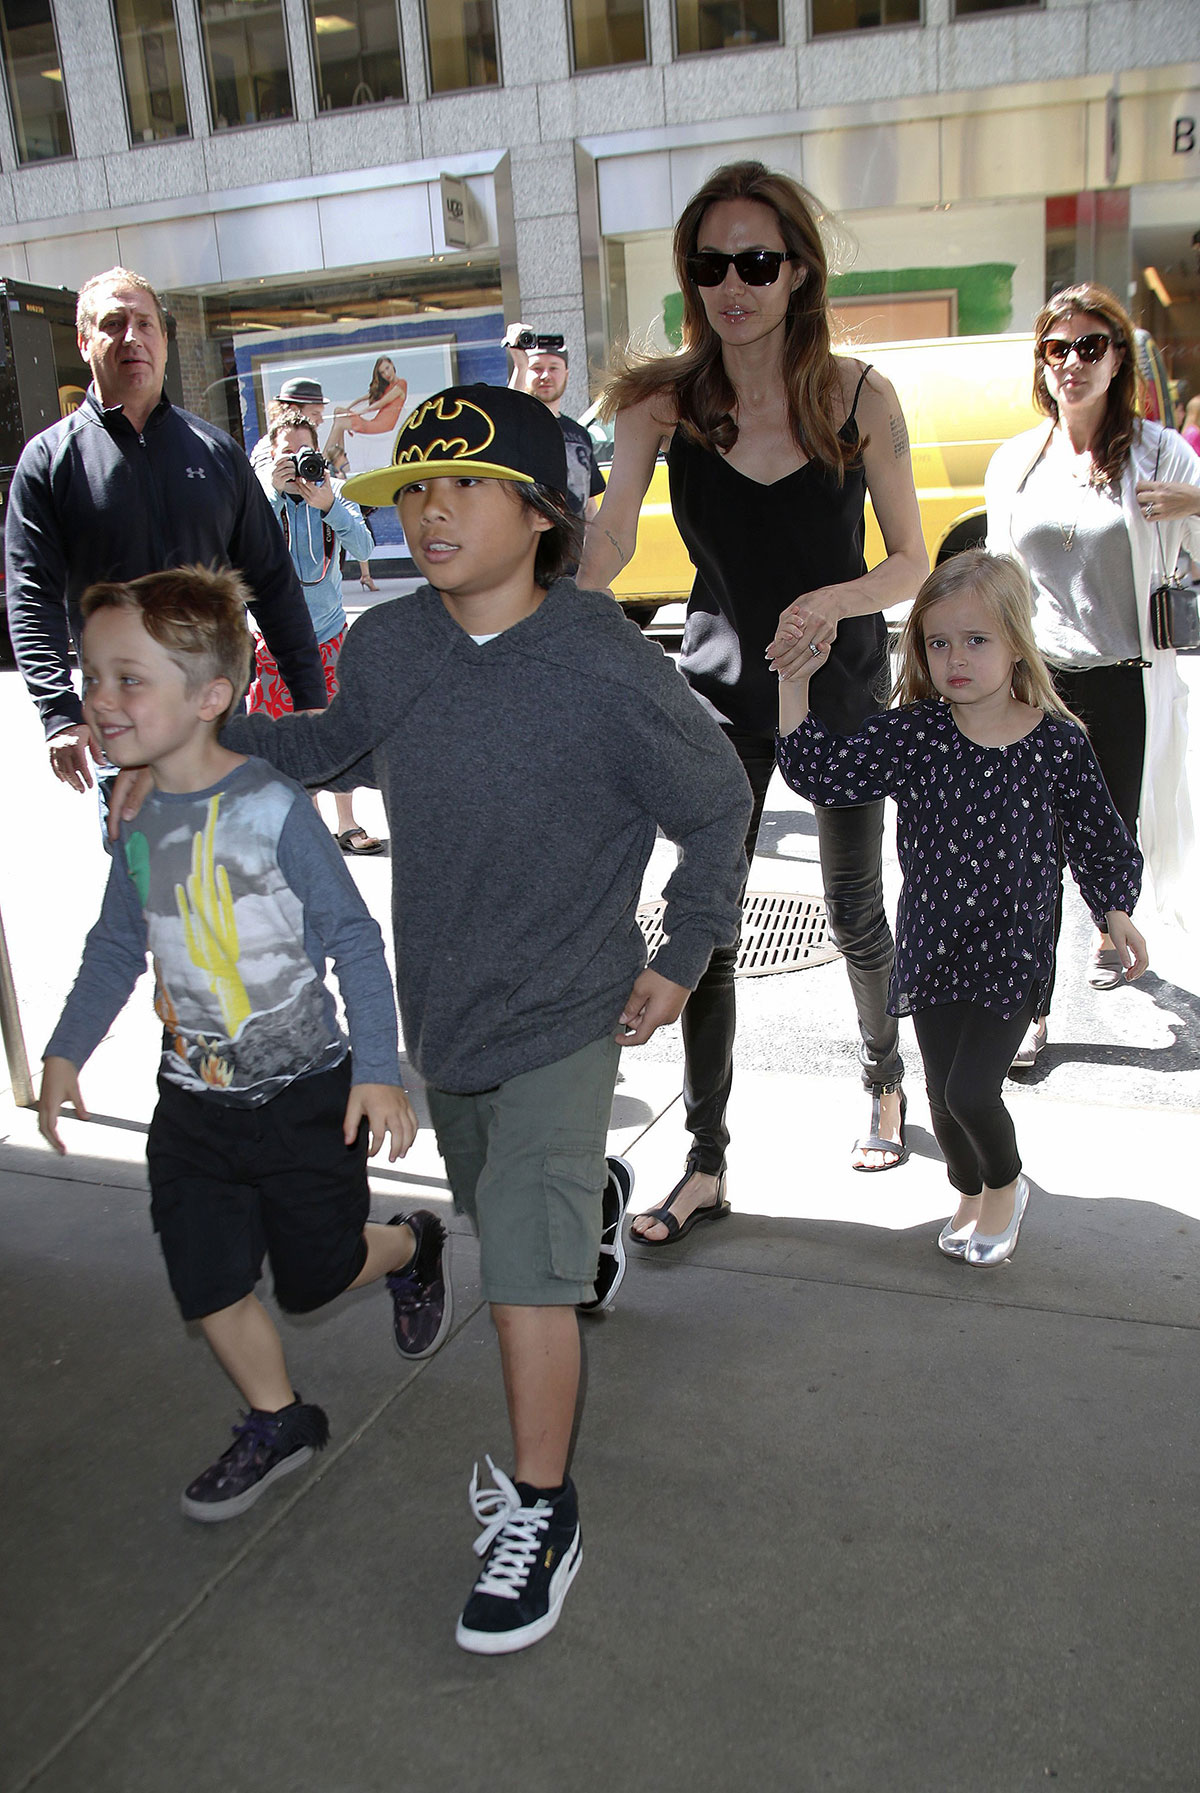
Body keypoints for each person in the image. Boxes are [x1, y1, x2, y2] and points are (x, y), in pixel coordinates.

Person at [112, 384, 751, 1652]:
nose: (429, 506)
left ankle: (544, 1508)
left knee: (524, 1283)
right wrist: (195, 738)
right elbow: (336, 743)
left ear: (541, 513)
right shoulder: (396, 644)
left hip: (570, 1018)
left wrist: (680, 954)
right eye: (413, 488)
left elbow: (719, 799)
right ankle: (587, 1215)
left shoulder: (605, 661)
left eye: (463, 485)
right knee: (511, 1218)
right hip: (447, 1021)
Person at [37, 566, 449, 1524]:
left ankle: (407, 1245)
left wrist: (379, 1072)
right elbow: (114, 945)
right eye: (92, 676)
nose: (101, 700)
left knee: (311, 1275)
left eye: (128, 678)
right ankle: (279, 1417)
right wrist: (65, 1050)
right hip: (192, 1103)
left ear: (210, 695)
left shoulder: (273, 808)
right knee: (206, 1273)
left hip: (304, 1092)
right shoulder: (134, 819)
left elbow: (353, 936)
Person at [576, 159, 927, 1238]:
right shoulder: (661, 402)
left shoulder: (860, 396)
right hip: (721, 691)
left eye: (757, 261)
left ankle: (880, 1073)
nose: (734, 282)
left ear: (797, 273)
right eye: (711, 262)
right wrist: (540, 608)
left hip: (843, 688)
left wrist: (835, 597)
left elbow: (910, 561)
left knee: (854, 901)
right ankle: (708, 1159)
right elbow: (614, 533)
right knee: (707, 920)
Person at [771, 551, 1147, 1265]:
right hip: (933, 944)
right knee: (943, 1100)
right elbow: (821, 770)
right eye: (938, 643)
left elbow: (1098, 833)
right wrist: (795, 681)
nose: (956, 658)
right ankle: (971, 1189)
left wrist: (1114, 910)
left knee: (974, 1090)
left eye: (975, 640)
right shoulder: (919, 734)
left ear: (1015, 642)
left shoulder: (1057, 744)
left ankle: (1006, 1186)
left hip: (1012, 948)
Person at [5, 268, 326, 794]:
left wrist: (310, 701)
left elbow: (272, 582)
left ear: (165, 339)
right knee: (149, 870)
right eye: (113, 323)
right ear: (86, 342)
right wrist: (59, 714)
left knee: (233, 869)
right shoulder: (49, 460)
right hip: (123, 733)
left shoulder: (217, 453)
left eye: (145, 323)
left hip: (220, 721)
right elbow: (31, 594)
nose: (132, 337)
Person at [985, 284, 1200, 1066]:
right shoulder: (1017, 461)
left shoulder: (1160, 454)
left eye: (1089, 346)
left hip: (1128, 680)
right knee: (1032, 851)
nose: (1072, 362)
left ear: (1119, 356)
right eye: (1055, 347)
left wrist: (1196, 500)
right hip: (1042, 685)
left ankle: (1115, 925)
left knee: (1117, 837)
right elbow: (1002, 577)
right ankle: (1031, 1007)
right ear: (1041, 362)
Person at [262, 410, 384, 855]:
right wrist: (274, 496)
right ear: (272, 457)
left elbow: (366, 546)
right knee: (293, 734)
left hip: (330, 634)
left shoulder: (332, 499)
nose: (297, 462)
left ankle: (347, 822)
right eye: (287, 453)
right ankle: (311, 823)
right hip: (278, 641)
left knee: (335, 731)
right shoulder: (260, 502)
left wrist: (329, 505)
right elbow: (236, 545)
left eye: (304, 451)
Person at [505, 323, 605, 522]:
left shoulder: (579, 434)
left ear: (566, 374)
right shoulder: (518, 427)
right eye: (536, 368)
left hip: (573, 551)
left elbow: (589, 505)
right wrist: (520, 364)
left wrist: (595, 550)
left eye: (553, 368)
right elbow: (506, 418)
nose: (545, 375)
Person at [322, 355, 407, 475]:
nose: (386, 374)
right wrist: (348, 409)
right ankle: (342, 461)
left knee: (340, 422)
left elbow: (381, 403)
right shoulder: (386, 387)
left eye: (387, 368)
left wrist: (359, 413)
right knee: (338, 411)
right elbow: (363, 398)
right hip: (375, 422)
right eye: (382, 372)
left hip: (382, 425)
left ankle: (324, 458)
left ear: (392, 365)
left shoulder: (401, 384)